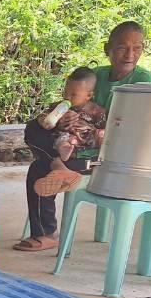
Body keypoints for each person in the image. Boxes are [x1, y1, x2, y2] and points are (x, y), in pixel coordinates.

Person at [18, 67, 107, 250]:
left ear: (89, 95)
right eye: (66, 92)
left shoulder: (96, 112)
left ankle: (46, 233)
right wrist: (53, 121)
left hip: (83, 156)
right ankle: (57, 164)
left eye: (74, 94)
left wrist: (95, 134)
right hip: (59, 150)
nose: (68, 97)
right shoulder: (58, 107)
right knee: (33, 129)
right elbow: (41, 123)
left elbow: (106, 136)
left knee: (39, 169)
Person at [93, 20, 151, 110]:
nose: (129, 56)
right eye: (122, 48)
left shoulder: (146, 82)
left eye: (137, 48)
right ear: (107, 49)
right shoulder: (94, 75)